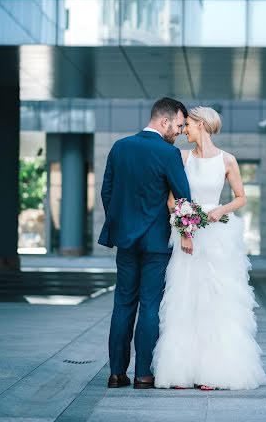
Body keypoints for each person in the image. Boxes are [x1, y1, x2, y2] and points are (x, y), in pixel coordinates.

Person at [152, 106, 266, 390]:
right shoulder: (181, 158)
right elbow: (172, 200)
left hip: (217, 236)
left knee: (215, 302)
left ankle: (214, 371)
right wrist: (184, 228)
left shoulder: (227, 160)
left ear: (201, 125)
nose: (184, 130)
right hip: (187, 236)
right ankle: (180, 371)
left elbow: (241, 197)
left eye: (188, 125)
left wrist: (221, 209)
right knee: (184, 301)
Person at [98, 97, 191, 389]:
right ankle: (143, 375)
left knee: (123, 304)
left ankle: (116, 374)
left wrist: (122, 225)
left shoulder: (120, 147)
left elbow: (107, 192)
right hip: (155, 243)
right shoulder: (168, 153)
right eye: (177, 125)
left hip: (125, 242)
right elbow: (183, 198)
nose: (178, 132)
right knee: (150, 306)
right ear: (164, 122)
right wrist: (186, 230)